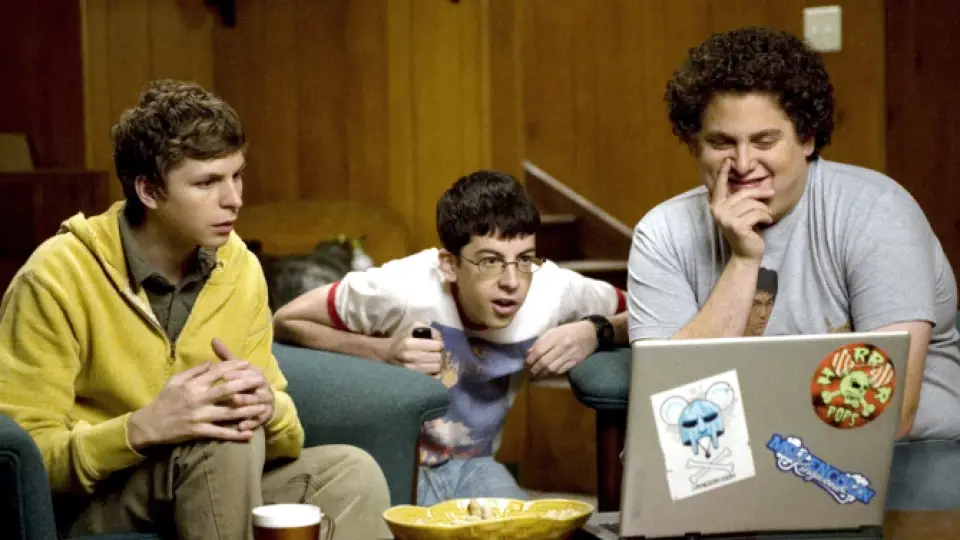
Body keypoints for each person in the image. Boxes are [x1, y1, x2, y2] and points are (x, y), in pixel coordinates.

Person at [0, 80, 390, 539]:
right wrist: (139, 430)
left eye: (236, 175)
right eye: (207, 183)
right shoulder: (56, 276)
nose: (234, 199)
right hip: (99, 500)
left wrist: (269, 408)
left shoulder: (240, 267)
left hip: (213, 480)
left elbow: (282, 435)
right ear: (148, 190)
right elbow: (21, 462)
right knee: (221, 440)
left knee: (352, 474)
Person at [627, 27, 960, 440]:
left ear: (807, 139)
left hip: (911, 455)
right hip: (739, 453)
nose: (743, 163)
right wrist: (743, 261)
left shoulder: (877, 211)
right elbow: (672, 407)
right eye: (722, 142)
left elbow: (887, 409)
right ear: (696, 146)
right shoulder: (661, 233)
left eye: (764, 141)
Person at [273, 170, 629, 505]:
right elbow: (287, 320)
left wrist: (596, 331)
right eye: (489, 261)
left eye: (524, 260)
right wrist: (383, 351)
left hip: (473, 465)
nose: (512, 282)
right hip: (386, 461)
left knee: (524, 526)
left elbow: (644, 316)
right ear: (449, 265)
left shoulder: (552, 290)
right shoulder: (401, 287)